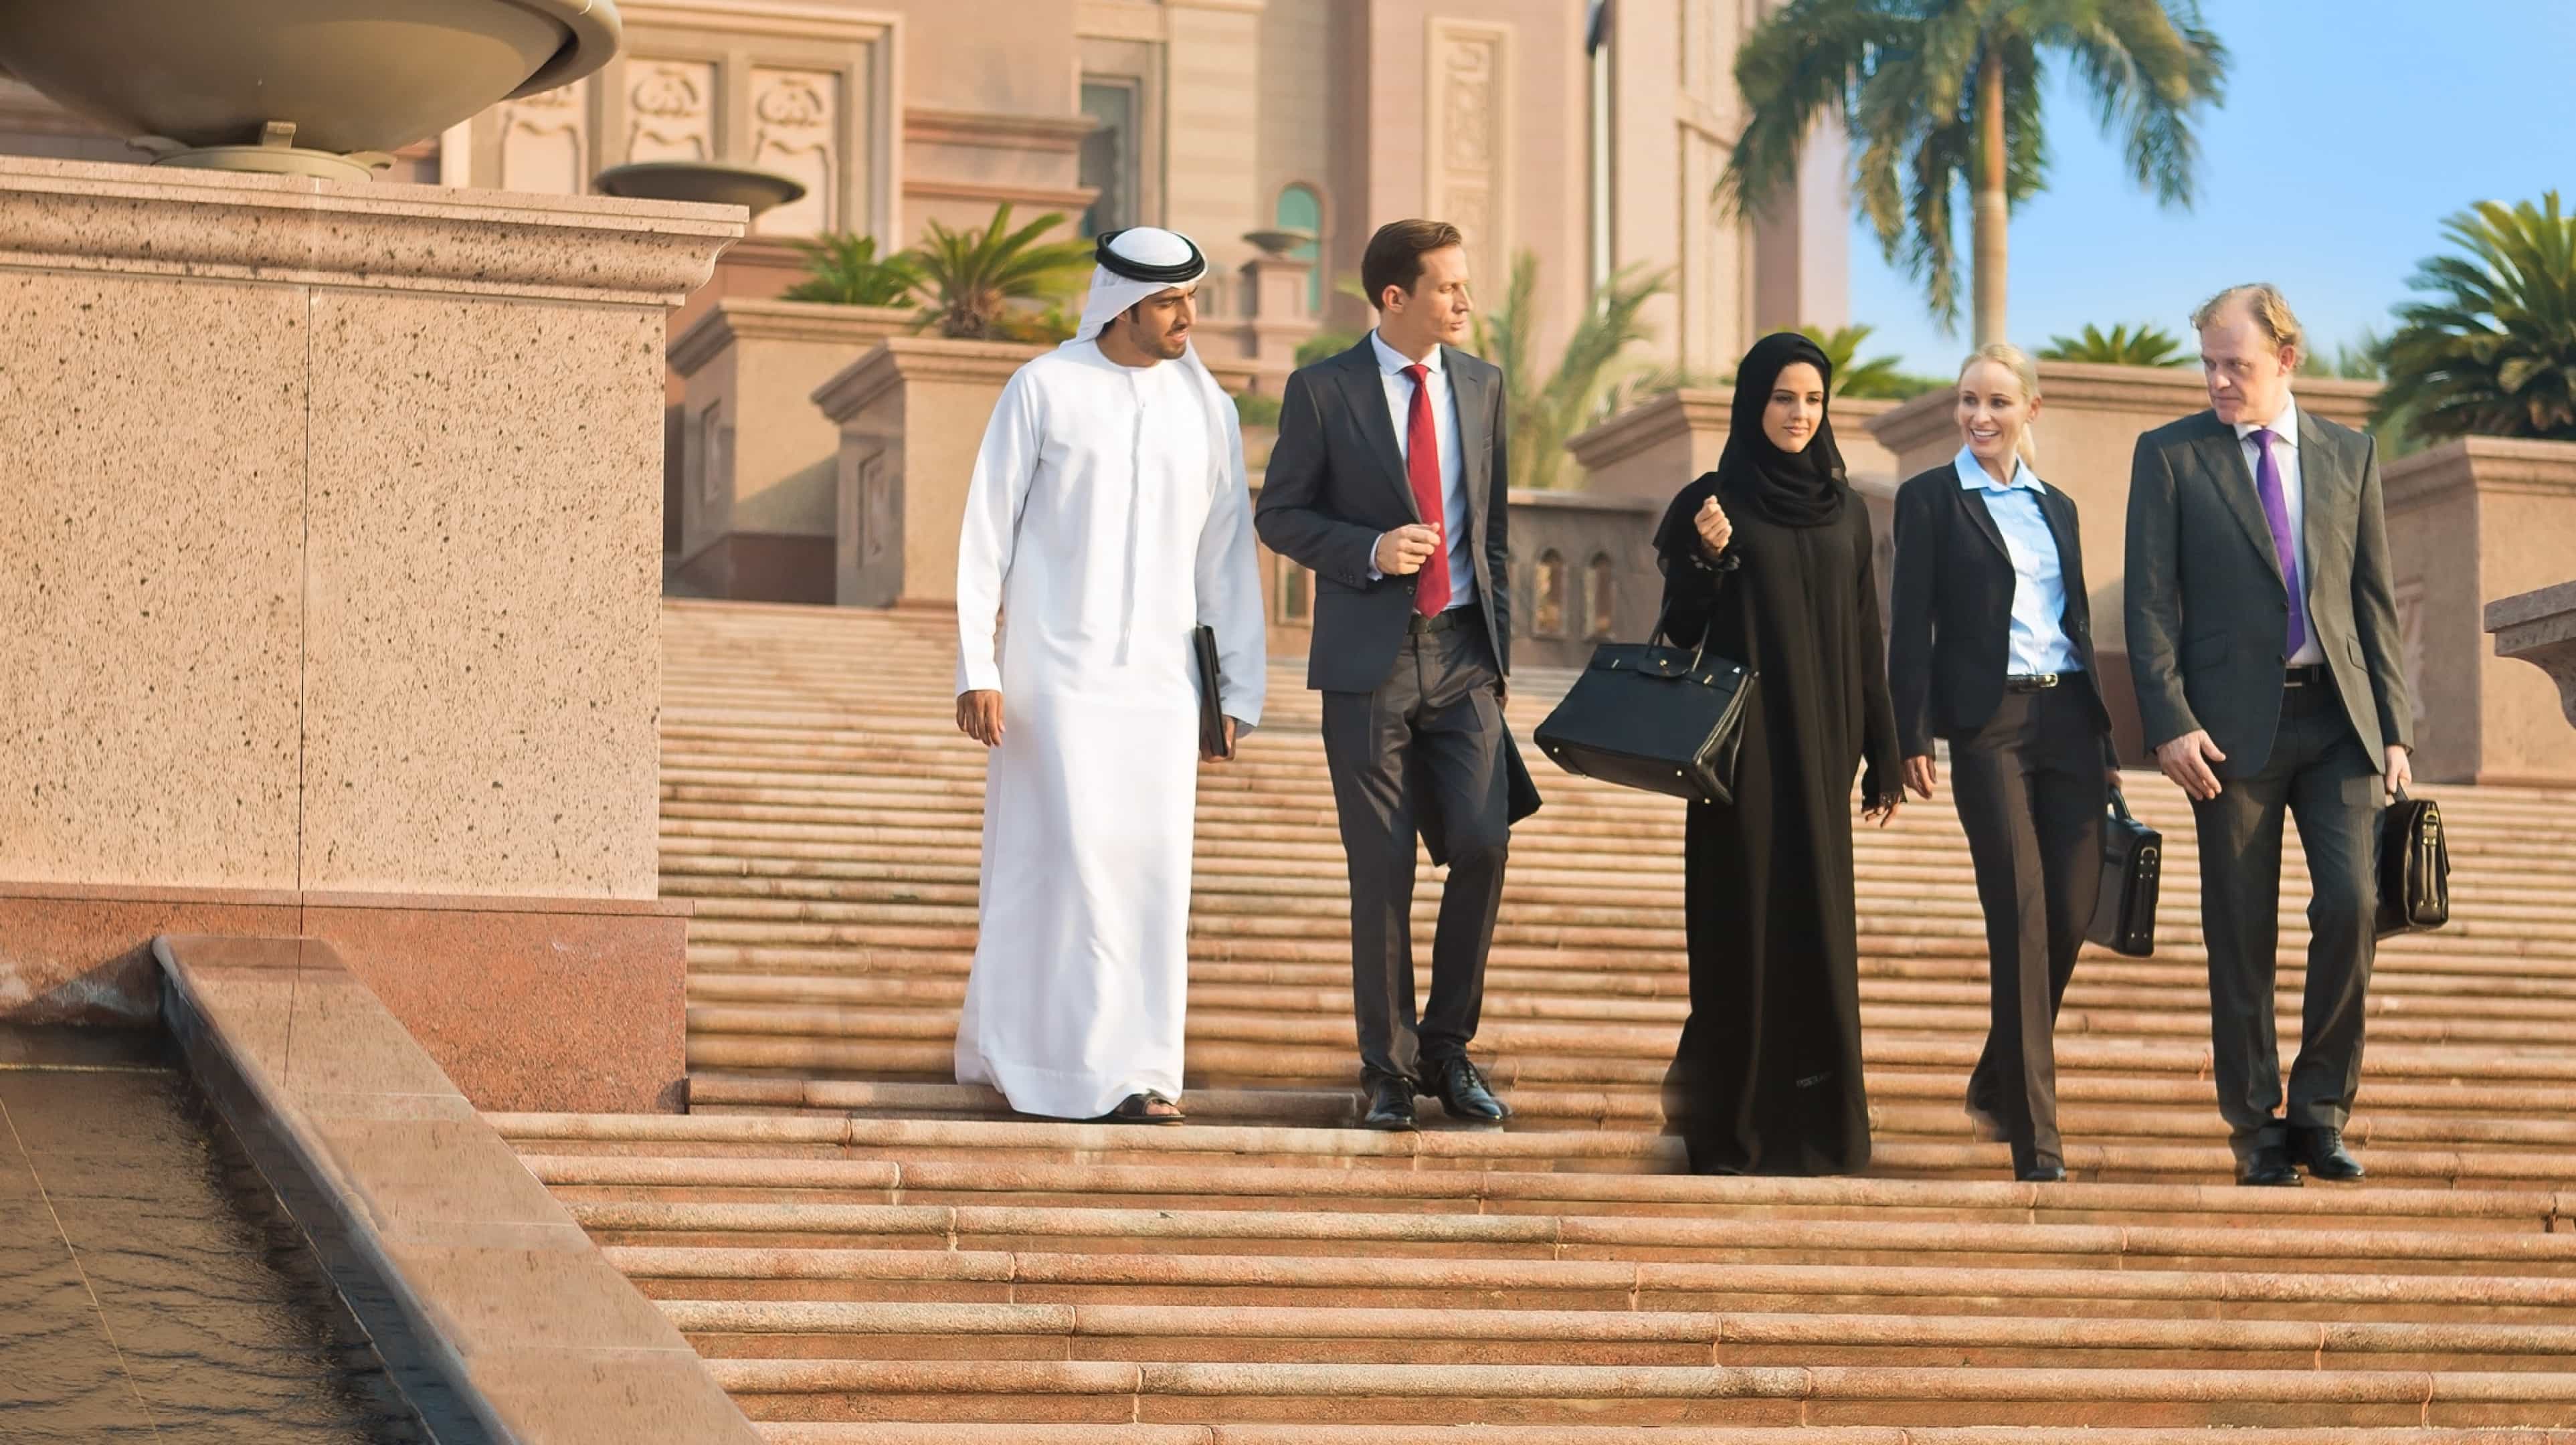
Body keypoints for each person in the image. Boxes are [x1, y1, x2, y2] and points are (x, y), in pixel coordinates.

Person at [950, 226, 1267, 1124]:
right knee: (1069, 865)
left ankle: (1140, 1070)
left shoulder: (1206, 408)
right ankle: (1047, 1065)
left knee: (1152, 872)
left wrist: (1235, 690)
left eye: (1189, 300)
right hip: (1054, 673)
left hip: (1163, 686)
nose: (1187, 318)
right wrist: (979, 665)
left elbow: (1225, 557)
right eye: (1169, 303)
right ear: (1120, 304)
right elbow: (986, 534)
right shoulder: (1043, 388)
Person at [2126, 283, 2413, 1187]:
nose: (2216, 380)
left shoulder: (2348, 453)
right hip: (2227, 735)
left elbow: (2371, 599)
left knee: (2354, 906)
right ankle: (2254, 1126)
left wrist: (2394, 729)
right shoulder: (2168, 456)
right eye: (2206, 363)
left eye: (2233, 365)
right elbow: (2147, 603)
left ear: (2283, 359)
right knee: (2238, 932)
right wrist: (2168, 722)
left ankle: (2319, 1109)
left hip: (2338, 720)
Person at [1255, 217, 1536, 1133]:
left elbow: (1489, 531)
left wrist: (1497, 656)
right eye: (1448, 286)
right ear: (1395, 298)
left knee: (1484, 843)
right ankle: (1388, 1069)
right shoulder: (1323, 391)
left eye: (1464, 283)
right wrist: (1370, 549)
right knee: (1380, 870)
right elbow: (1281, 516)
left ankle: (1448, 1049)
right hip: (1366, 665)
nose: (1464, 300)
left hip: (1461, 657)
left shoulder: (1484, 388)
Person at [1652, 330, 1904, 1177]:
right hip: (1740, 758)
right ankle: (1729, 1129)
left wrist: (1884, 746)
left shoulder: (1847, 507)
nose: (1799, 415)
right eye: (1783, 397)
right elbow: (1676, 634)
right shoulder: (1712, 499)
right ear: (1752, 401)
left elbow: (1866, 635)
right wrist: (1705, 560)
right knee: (1739, 927)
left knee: (1818, 933)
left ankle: (1816, 1128)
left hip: (1823, 749)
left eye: (1813, 400)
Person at [1888, 343, 2120, 1184]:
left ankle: (1994, 1077)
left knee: (2071, 909)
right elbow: (1908, 623)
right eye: (1967, 402)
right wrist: (1909, 734)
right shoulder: (1929, 501)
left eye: (1997, 402)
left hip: (2069, 724)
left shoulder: (2056, 505)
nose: (1980, 417)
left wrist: (2105, 743)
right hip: (1988, 728)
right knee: (2019, 917)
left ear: (2031, 409)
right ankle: (2036, 1138)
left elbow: (2077, 624)